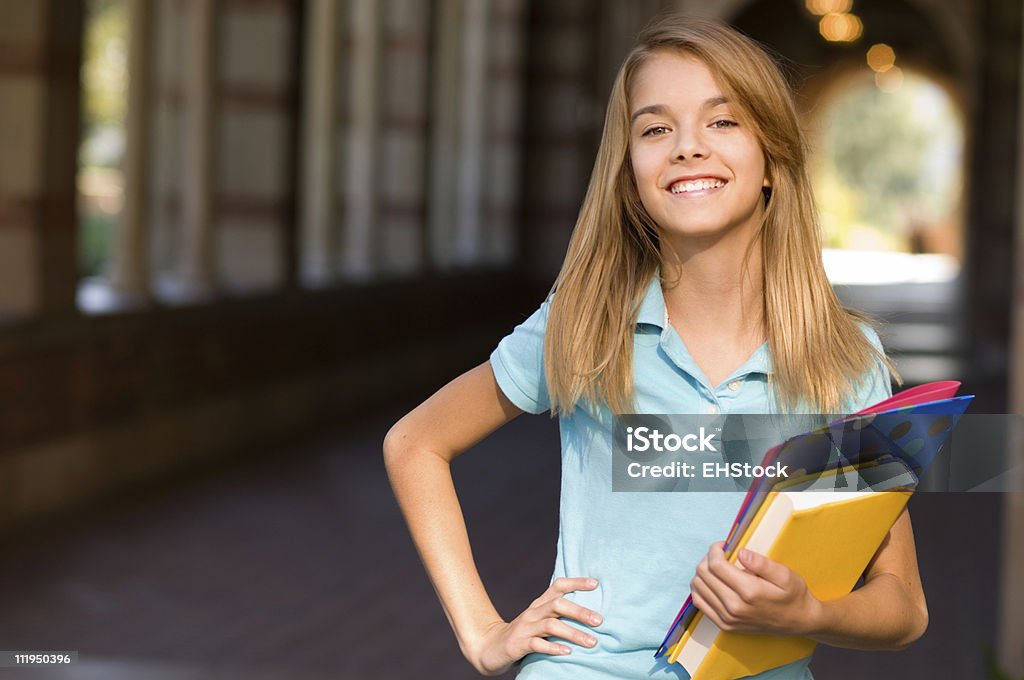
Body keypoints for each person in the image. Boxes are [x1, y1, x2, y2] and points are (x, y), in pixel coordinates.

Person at [383, 14, 928, 680]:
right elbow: (416, 443)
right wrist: (482, 631)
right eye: (655, 128)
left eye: (722, 122)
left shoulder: (848, 362)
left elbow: (902, 605)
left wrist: (808, 613)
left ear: (772, 163)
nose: (687, 147)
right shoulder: (584, 324)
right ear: (631, 178)